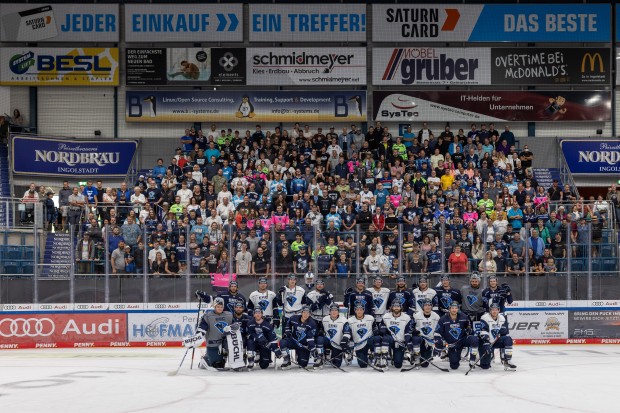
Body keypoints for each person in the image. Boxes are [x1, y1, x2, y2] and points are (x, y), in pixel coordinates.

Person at [436, 302, 479, 370]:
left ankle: (472, 361)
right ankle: (450, 354)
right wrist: (439, 342)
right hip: (451, 344)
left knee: (474, 339)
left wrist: (469, 330)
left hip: (462, 340)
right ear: (449, 309)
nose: (454, 310)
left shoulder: (464, 316)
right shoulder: (443, 319)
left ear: (458, 309)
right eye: (452, 308)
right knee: (454, 366)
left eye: (456, 308)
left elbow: (470, 329)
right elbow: (437, 332)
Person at [195, 297, 234, 369]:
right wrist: (198, 335)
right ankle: (205, 360)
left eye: (221, 307)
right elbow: (202, 328)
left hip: (224, 344)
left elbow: (234, 326)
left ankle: (210, 357)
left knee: (223, 363)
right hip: (213, 345)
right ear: (214, 306)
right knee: (218, 365)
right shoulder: (208, 316)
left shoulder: (229, 315)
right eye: (218, 306)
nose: (220, 308)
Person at [478, 303, 516, 370]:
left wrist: (501, 332)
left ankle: (508, 360)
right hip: (485, 342)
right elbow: (483, 331)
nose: (494, 311)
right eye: (493, 310)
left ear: (498, 310)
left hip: (496, 341)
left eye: (496, 310)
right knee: (485, 366)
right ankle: (485, 361)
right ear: (490, 310)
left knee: (508, 339)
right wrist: (487, 342)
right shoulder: (484, 317)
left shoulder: (502, 318)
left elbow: (504, 331)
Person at [377, 301, 413, 369]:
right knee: (385, 338)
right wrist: (383, 330)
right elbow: (381, 328)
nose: (396, 308)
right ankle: (384, 359)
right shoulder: (386, 316)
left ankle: (395, 356)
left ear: (401, 307)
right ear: (391, 307)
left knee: (398, 365)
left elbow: (408, 332)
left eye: (398, 306)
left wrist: (407, 342)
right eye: (394, 306)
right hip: (389, 340)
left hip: (400, 342)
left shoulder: (406, 317)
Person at [315, 303, 351, 369]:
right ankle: (320, 357)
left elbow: (347, 333)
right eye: (332, 310)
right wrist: (320, 332)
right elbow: (321, 330)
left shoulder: (344, 320)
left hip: (337, 344)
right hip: (328, 341)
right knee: (319, 338)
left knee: (336, 365)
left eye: (335, 310)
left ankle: (335, 356)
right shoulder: (325, 319)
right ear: (330, 311)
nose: (334, 312)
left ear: (338, 312)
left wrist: (344, 340)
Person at [409, 299, 441, 368]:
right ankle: (415, 356)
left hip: (430, 340)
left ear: (431, 306)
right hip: (420, 338)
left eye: (429, 305)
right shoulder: (416, 316)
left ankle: (428, 350)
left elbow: (439, 329)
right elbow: (410, 327)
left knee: (425, 364)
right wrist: (414, 331)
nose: (427, 307)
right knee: (415, 338)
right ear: (423, 307)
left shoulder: (436, 316)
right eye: (426, 305)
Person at [346, 302, 379, 369]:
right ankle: (366, 358)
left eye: (361, 310)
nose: (359, 311)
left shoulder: (370, 318)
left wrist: (376, 331)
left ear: (364, 310)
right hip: (359, 344)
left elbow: (375, 328)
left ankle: (374, 354)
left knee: (377, 338)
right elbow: (348, 333)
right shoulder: (350, 321)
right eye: (357, 310)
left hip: (369, 340)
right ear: (355, 310)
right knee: (363, 365)